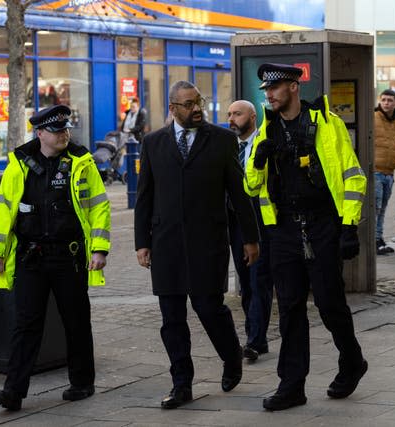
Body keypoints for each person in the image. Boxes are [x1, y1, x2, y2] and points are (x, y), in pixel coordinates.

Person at [246, 63, 367, 411]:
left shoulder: (328, 125)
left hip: (323, 225)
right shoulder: (265, 131)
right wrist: (258, 161)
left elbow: (353, 176)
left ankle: (352, 360)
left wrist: (348, 226)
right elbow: (251, 186)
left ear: (294, 87)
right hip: (283, 229)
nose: (268, 95)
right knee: (290, 308)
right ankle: (292, 385)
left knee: (330, 303)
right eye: (266, 90)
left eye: (275, 88)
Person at [134, 81, 260, 410]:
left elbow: (238, 191)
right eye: (188, 104)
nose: (196, 109)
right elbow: (144, 197)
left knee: (209, 309)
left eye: (198, 102)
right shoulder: (153, 143)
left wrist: (250, 238)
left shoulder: (221, 140)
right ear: (173, 109)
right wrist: (141, 243)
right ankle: (181, 383)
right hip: (166, 244)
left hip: (208, 242)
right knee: (171, 317)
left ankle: (232, 357)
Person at [0, 104, 111, 411]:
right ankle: (13, 391)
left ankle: (82, 382)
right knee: (26, 324)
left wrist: (98, 248)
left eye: (66, 129)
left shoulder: (81, 162)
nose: (64, 135)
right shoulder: (19, 164)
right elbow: (3, 209)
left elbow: (99, 206)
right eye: (57, 131)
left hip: (69, 256)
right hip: (31, 257)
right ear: (40, 133)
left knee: (76, 321)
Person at [226, 100, 273, 362]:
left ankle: (255, 339)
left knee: (259, 279)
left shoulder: (264, 142)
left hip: (261, 220)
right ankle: (255, 334)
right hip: (235, 223)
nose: (231, 119)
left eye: (237, 114)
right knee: (245, 281)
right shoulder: (228, 146)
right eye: (229, 114)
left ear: (252, 117)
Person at [374, 89, 395, 255]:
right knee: (375, 208)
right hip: (375, 171)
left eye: (390, 100)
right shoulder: (373, 118)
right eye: (383, 100)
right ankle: (375, 240)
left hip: (389, 173)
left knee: (383, 209)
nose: (386, 103)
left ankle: (379, 238)